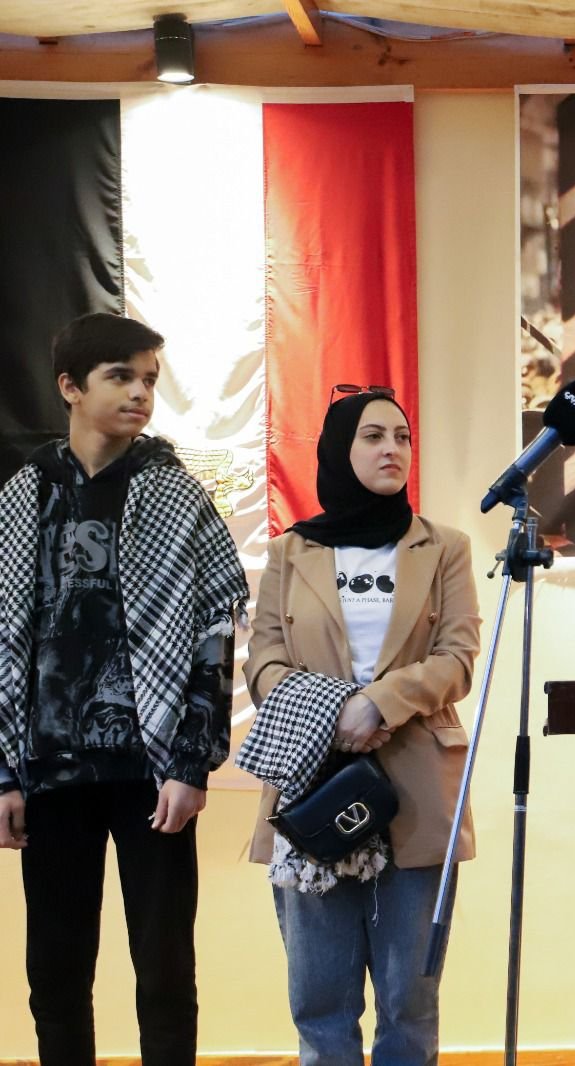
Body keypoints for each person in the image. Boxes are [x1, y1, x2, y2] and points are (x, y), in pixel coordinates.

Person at [0, 313, 249, 1064]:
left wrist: (191, 763)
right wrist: (4, 772)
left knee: (166, 973)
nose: (141, 393)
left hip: (151, 771)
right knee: (55, 977)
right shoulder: (23, 494)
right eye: (121, 377)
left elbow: (213, 631)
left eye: (149, 379)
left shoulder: (176, 493)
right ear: (70, 387)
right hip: (51, 770)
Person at [241, 386, 482, 1064]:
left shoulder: (446, 547)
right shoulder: (291, 552)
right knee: (320, 1002)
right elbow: (263, 660)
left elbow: (458, 658)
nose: (392, 449)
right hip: (312, 787)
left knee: (410, 1003)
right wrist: (333, 711)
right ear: (338, 452)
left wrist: (378, 704)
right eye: (373, 436)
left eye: (402, 437)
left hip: (417, 790)